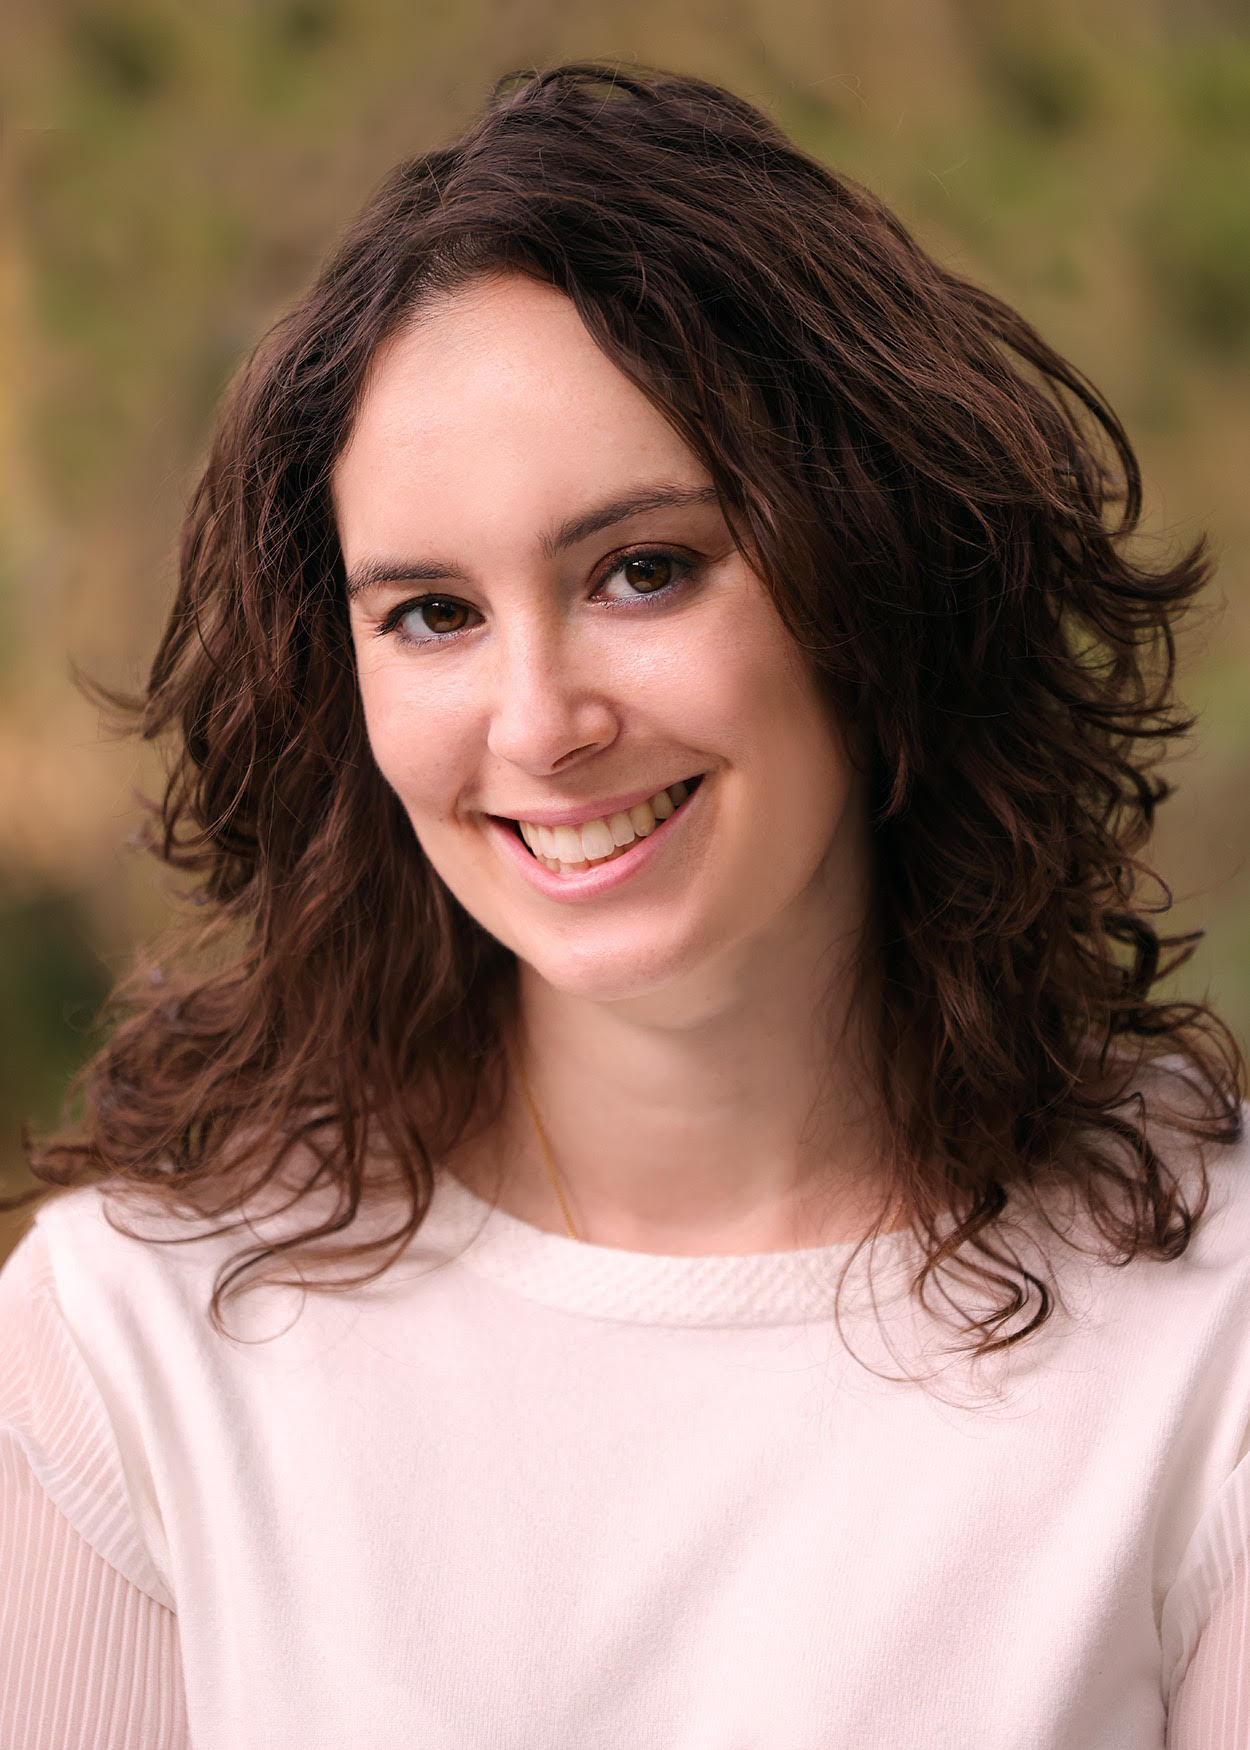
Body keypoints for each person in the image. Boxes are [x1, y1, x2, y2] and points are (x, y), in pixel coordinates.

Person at [0, 62, 1246, 1749]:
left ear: (867, 573)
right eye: (432, 613)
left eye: (642, 569)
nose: (538, 722)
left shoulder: (1210, 1324)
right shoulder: (132, 1337)